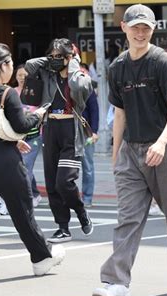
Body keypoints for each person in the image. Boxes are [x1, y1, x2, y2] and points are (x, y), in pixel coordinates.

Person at [92, 4, 167, 296]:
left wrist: (162, 142)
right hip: (131, 150)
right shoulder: (117, 68)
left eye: (146, 28)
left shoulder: (162, 62)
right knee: (127, 218)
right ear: (124, 28)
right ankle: (116, 283)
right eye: (135, 27)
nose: (140, 32)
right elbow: (119, 115)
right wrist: (116, 156)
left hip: (163, 148)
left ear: (153, 31)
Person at [0, 43, 65, 275]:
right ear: (3, 66)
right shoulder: (7, 93)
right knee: (22, 211)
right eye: (10, 62)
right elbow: (22, 125)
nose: (12, 67)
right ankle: (42, 257)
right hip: (5, 161)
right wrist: (38, 116)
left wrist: (11, 139)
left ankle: (43, 254)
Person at [25, 38, 94, 243]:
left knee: (64, 182)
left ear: (70, 57)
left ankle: (81, 212)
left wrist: (73, 65)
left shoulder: (81, 76)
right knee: (52, 182)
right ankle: (63, 227)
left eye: (59, 56)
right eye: (52, 56)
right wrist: (51, 59)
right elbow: (30, 66)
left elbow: (78, 87)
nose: (55, 60)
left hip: (70, 131)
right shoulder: (49, 74)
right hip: (50, 129)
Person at [11, 64, 43, 207]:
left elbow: (42, 112)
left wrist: (33, 116)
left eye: (25, 75)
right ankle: (35, 194)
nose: (22, 78)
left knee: (25, 166)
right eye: (19, 75)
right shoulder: (11, 93)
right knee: (23, 166)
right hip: (17, 138)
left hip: (34, 136)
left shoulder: (34, 92)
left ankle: (27, 198)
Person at [79, 63, 99, 208]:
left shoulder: (90, 90)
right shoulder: (68, 89)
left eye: (83, 71)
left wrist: (95, 132)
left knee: (88, 167)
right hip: (70, 132)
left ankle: (87, 197)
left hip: (86, 133)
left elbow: (94, 112)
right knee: (68, 167)